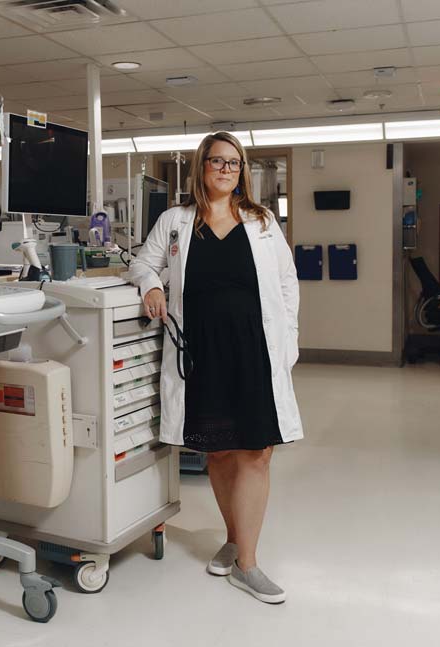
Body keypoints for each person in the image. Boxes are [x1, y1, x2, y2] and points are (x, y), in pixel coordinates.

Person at [128, 132, 302, 604]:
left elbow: (287, 284)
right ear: (202, 167)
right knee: (221, 452)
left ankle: (248, 563)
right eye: (217, 161)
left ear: (241, 171)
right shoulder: (176, 221)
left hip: (255, 350)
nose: (226, 170)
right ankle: (233, 538)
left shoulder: (262, 221)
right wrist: (151, 286)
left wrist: (290, 342)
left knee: (257, 451)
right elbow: (142, 263)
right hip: (202, 352)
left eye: (234, 163)